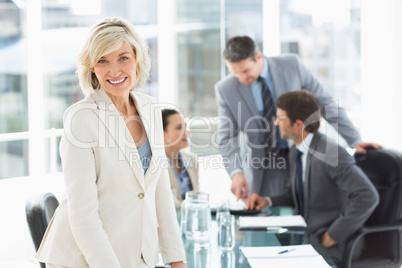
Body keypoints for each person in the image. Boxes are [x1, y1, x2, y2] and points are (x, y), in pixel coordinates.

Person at [36, 17, 186, 268]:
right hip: (85, 258)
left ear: (137, 58)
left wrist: (176, 259)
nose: (114, 71)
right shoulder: (81, 118)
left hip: (137, 254)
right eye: (103, 61)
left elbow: (159, 192)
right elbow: (83, 215)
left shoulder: (149, 107)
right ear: (92, 67)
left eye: (123, 58)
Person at [214, 35, 381, 200]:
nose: (242, 79)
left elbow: (326, 104)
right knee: (264, 215)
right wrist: (236, 173)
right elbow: (227, 137)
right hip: (262, 168)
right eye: (235, 74)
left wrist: (354, 140)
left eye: (245, 71)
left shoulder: (291, 66)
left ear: (258, 57)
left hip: (303, 155)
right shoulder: (226, 89)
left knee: (310, 210)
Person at [246, 90, 379, 264]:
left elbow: (368, 196)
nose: (276, 122)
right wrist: (267, 201)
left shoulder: (330, 152)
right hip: (307, 238)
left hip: (335, 245)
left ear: (299, 124)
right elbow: (297, 194)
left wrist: (333, 235)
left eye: (280, 118)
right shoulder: (297, 149)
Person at [162, 108, 199, 204]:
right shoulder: (154, 164)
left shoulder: (192, 160)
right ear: (162, 133)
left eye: (185, 127)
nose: (186, 132)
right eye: (179, 128)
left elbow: (197, 197)